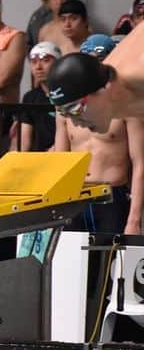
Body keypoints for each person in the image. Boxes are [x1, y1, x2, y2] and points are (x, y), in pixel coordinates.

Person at [54, 37, 143, 235]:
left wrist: (134, 219)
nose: (76, 120)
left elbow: (140, 163)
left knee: (111, 264)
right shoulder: (68, 107)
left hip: (112, 194)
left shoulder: (127, 105)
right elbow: (59, 161)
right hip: (75, 196)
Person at [17, 41, 60, 152]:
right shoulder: (30, 98)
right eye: (33, 62)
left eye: (45, 61)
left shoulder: (71, 94)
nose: (38, 67)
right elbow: (24, 140)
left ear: (59, 63)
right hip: (41, 157)